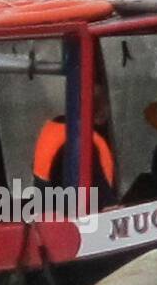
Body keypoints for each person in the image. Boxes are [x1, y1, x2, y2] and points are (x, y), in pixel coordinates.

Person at [32, 76, 118, 207]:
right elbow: (107, 206)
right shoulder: (81, 144)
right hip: (75, 221)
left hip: (51, 217)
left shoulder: (59, 130)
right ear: (100, 113)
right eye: (106, 103)